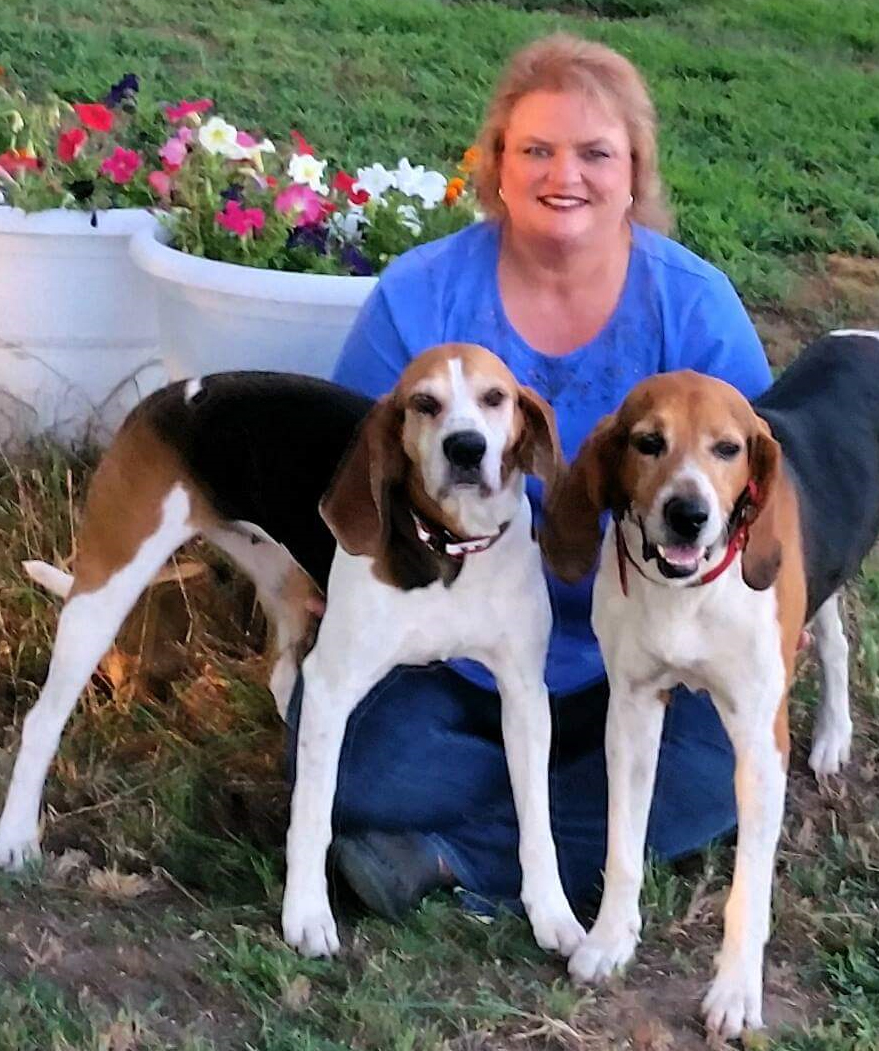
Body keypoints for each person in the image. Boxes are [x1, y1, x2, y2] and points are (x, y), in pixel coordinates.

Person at [286, 32, 772, 921]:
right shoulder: (417, 295)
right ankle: (553, 807)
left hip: (643, 653)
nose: (565, 174)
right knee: (362, 769)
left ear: (634, 171)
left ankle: (456, 853)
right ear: (496, 167)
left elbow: (763, 487)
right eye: (536, 149)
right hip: (450, 662)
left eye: (595, 152)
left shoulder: (694, 307)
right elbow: (354, 467)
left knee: (708, 771)